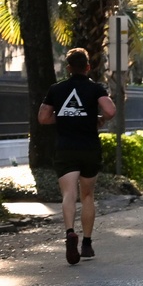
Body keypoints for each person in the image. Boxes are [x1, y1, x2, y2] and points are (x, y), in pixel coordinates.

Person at [37, 48, 117, 265]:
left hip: (65, 149)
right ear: (88, 67)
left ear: (69, 67)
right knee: (87, 196)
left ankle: (70, 232)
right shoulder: (95, 88)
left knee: (68, 195)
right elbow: (110, 111)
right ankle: (87, 243)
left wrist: (65, 117)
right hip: (89, 148)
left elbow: (43, 118)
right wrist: (93, 117)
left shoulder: (57, 89)